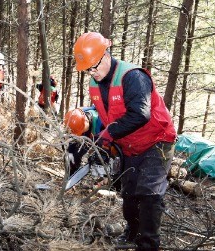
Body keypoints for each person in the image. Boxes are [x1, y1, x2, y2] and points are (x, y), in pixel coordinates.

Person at [73, 32, 177, 250]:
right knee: (129, 193)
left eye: (94, 67)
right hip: (129, 144)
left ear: (105, 55)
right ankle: (132, 232)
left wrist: (110, 134)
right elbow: (107, 116)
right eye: (88, 70)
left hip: (156, 140)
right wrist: (102, 143)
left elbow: (141, 114)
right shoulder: (95, 85)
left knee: (149, 193)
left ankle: (148, 244)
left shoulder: (132, 76)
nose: (93, 73)